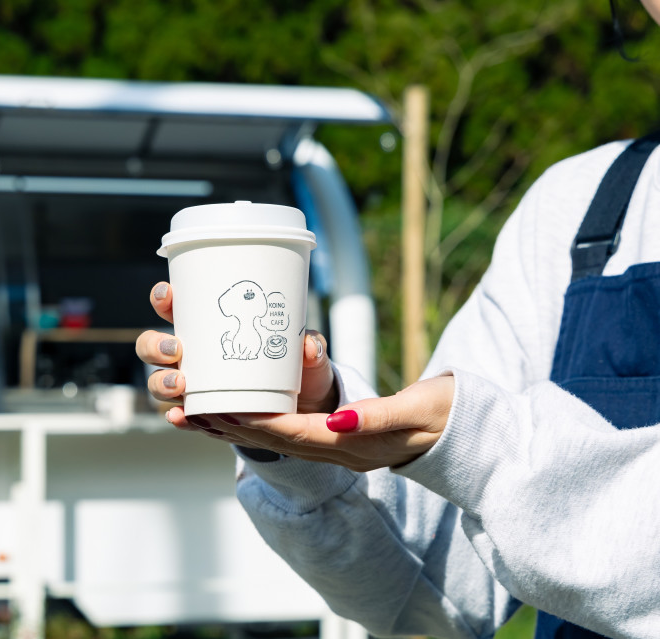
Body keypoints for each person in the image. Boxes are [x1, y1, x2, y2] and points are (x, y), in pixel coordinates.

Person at [135, 3, 660, 637]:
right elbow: (435, 596)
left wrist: (474, 446)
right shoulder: (580, 204)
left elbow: (477, 451)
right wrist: (310, 438)